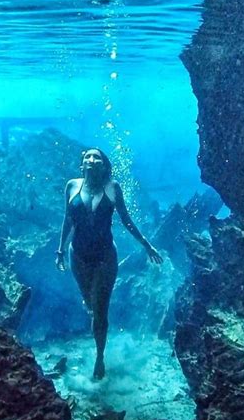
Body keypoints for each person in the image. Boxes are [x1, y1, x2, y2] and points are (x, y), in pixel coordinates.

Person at [55, 148, 163, 380]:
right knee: (90, 303)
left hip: (105, 259)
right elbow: (67, 219)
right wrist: (60, 250)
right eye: (87, 157)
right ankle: (93, 310)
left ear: (104, 166)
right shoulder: (71, 186)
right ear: (81, 165)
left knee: (100, 311)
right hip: (78, 257)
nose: (92, 160)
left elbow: (126, 220)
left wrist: (147, 245)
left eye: (97, 157)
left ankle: (100, 357)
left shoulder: (113, 188)